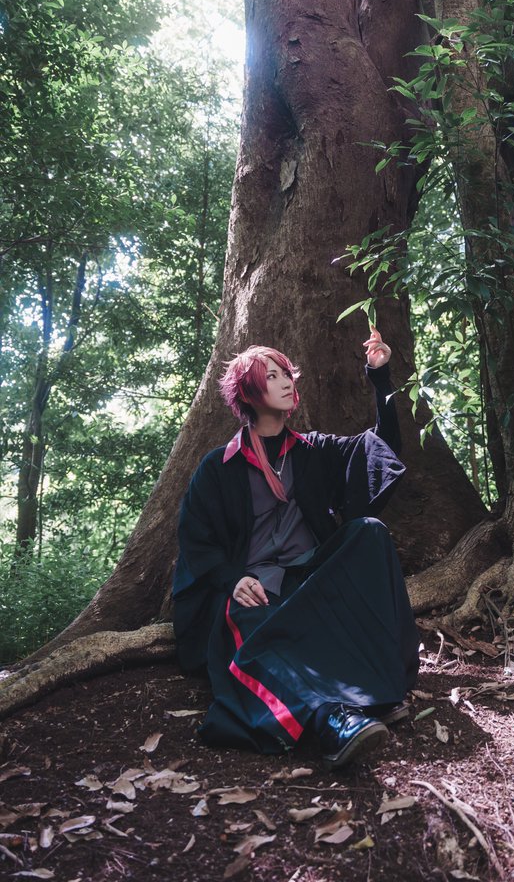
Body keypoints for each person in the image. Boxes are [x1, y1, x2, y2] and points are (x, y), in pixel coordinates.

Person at [172, 328, 419, 769]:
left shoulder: (313, 450)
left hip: (311, 579)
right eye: (271, 376)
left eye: (286, 373)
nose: (286, 382)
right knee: (255, 623)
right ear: (248, 393)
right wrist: (233, 579)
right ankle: (333, 719)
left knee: (369, 532)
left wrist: (380, 377)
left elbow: (384, 445)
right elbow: (196, 541)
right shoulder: (217, 467)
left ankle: (384, 687)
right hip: (257, 588)